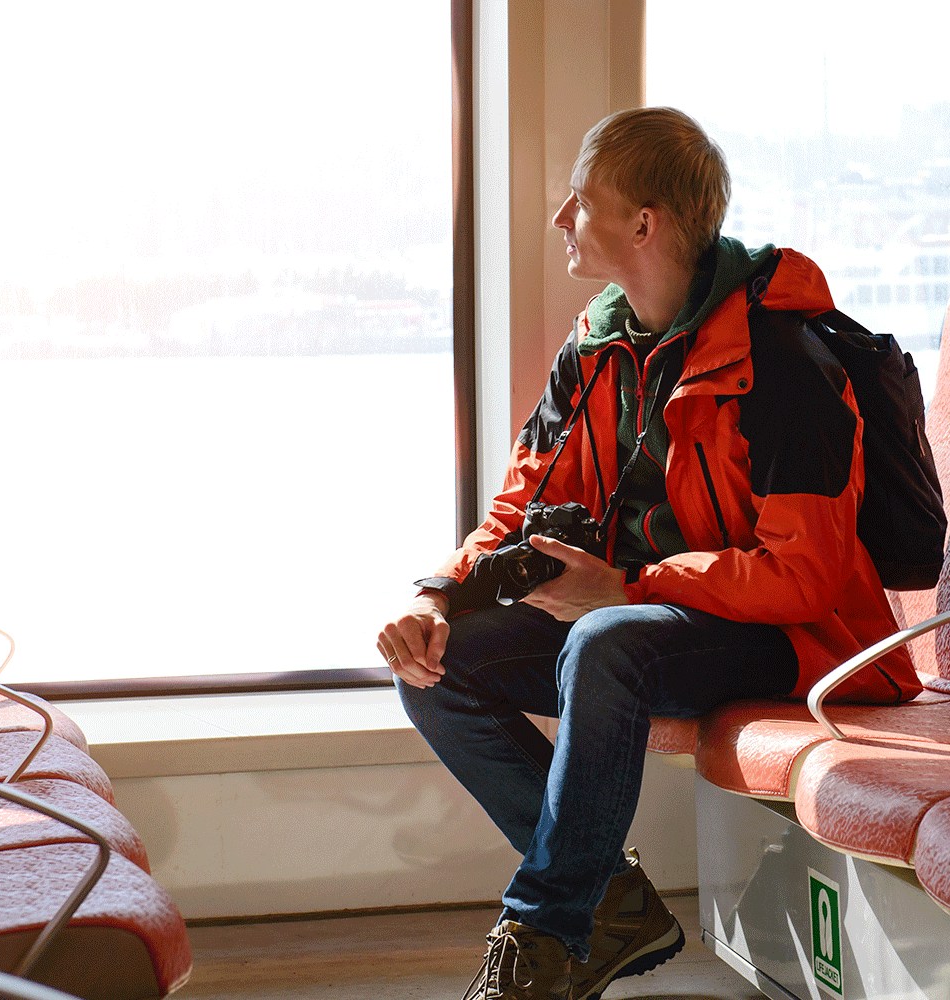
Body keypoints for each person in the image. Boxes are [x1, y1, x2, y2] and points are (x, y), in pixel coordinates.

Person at [377, 107, 917, 1000]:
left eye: (580, 201)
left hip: (804, 638)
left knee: (607, 639)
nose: (561, 218)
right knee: (439, 667)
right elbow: (521, 499)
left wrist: (624, 585)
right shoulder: (596, 348)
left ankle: (546, 935)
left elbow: (806, 575)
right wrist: (439, 599)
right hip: (653, 614)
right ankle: (612, 901)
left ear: (644, 222)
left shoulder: (785, 360)